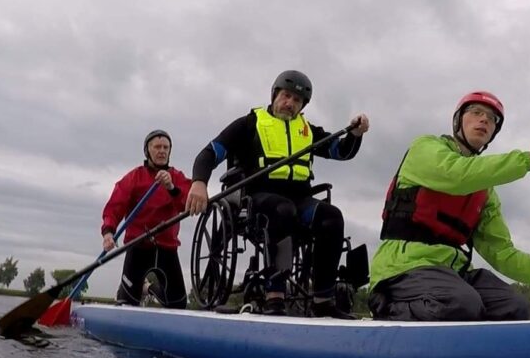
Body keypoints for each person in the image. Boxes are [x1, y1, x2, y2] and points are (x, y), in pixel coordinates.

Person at [368, 90, 530, 322]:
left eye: (492, 119)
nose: (484, 119)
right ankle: (386, 308)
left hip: (451, 274)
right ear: (458, 121)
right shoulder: (425, 148)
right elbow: (457, 175)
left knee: (515, 307)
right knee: (461, 303)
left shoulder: (485, 192)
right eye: (476, 112)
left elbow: (503, 254)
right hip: (401, 270)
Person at [186, 70, 370, 318]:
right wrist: (199, 182)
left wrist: (355, 134)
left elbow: (341, 152)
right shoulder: (249, 124)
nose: (290, 103)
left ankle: (323, 299)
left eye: (297, 100)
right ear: (274, 95)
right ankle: (275, 295)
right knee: (283, 210)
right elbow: (209, 153)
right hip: (258, 198)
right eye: (286, 96)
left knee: (331, 217)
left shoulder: (308, 131)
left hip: (300, 197)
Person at [102, 129, 193, 308]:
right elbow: (114, 207)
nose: (162, 151)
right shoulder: (134, 177)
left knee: (178, 304)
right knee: (128, 301)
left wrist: (171, 187)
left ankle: (149, 288)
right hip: (138, 246)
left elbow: (187, 204)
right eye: (157, 147)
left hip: (167, 248)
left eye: (166, 147)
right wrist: (108, 232)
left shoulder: (177, 177)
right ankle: (126, 294)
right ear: (147, 151)